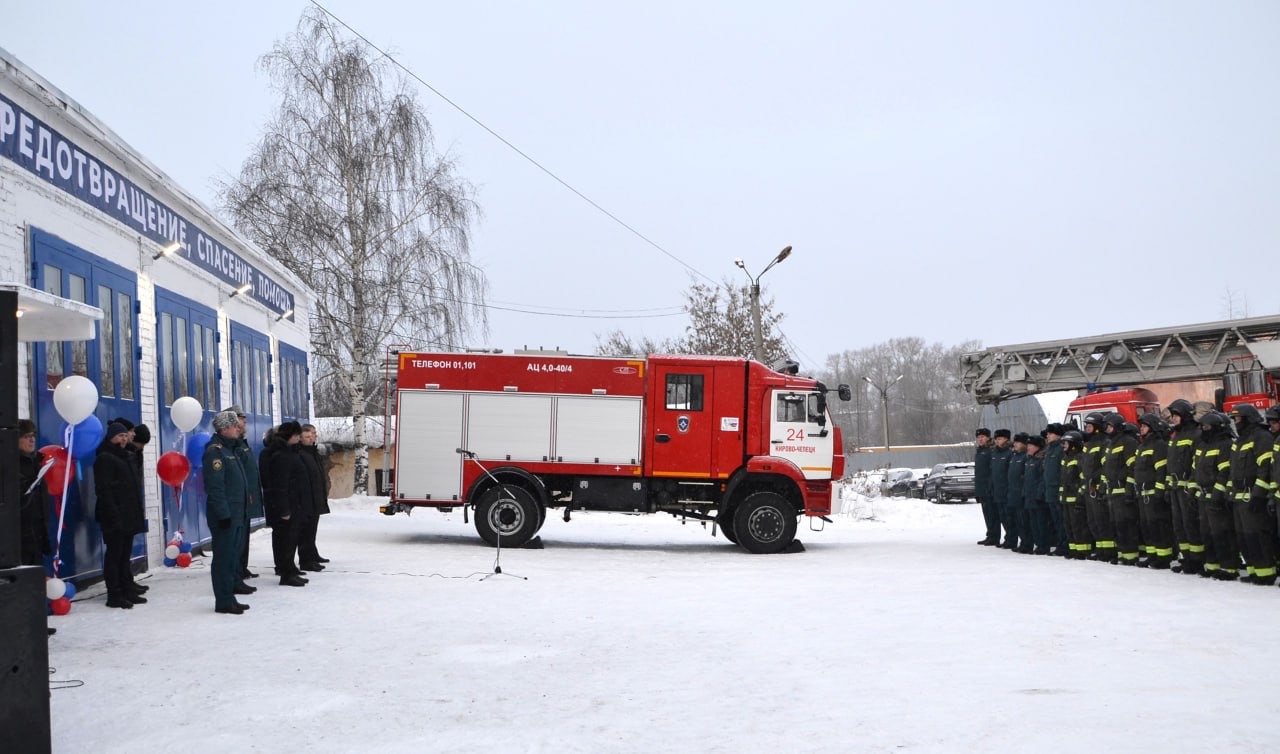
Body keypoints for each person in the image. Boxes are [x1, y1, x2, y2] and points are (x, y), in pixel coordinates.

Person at [204, 410, 253, 614]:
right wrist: (223, 514)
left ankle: (229, 595)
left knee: (232, 557)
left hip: (237, 514)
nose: (238, 428)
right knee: (224, 559)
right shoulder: (215, 452)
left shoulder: (231, 449)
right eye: (235, 426)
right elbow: (216, 488)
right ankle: (223, 601)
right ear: (224, 429)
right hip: (226, 516)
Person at [94, 422, 147, 608]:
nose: (124, 439)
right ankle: (114, 594)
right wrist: (114, 515)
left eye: (126, 435)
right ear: (111, 437)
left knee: (125, 555)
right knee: (114, 555)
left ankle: (127, 589)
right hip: (114, 516)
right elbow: (104, 490)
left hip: (128, 514)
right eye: (120, 436)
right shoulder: (105, 458)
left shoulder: (127, 456)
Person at [1228, 404, 1275, 585]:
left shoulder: (1261, 437)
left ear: (1248, 418)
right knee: (1244, 537)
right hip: (1239, 498)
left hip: (1252, 497)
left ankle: (1266, 573)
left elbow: (1265, 469)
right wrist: (1230, 493)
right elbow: (1233, 471)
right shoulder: (1239, 441)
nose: (1235, 423)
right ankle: (1254, 570)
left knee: (1257, 535)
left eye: (1238, 419)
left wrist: (1258, 494)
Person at [260, 421, 311, 587]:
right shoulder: (281, 455)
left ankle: (290, 568)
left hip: (295, 503)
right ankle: (286, 572)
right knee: (286, 540)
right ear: (289, 436)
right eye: (296, 435)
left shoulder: (289, 452)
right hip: (287, 505)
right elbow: (279, 485)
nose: (299, 438)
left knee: (291, 538)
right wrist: (284, 509)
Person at [1194, 411, 1236, 580]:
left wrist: (1217, 495)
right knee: (1207, 533)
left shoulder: (1224, 445)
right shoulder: (1203, 445)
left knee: (1222, 533)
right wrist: (1194, 491)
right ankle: (1212, 565)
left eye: (1206, 426)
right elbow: (1196, 470)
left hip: (1215, 497)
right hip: (1203, 497)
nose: (1203, 429)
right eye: (1202, 426)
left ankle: (1228, 567)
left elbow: (1224, 473)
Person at [1166, 399, 1204, 574]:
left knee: (1191, 525)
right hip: (1175, 489)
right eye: (1172, 416)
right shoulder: (1175, 436)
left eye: (1176, 416)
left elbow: (1197, 464)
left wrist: (1192, 486)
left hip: (1187, 489)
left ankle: (1197, 560)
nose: (1173, 419)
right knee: (1179, 525)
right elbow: (1170, 464)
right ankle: (1186, 558)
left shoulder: (1195, 435)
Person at [228, 405, 263, 585]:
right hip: (239, 498)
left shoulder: (242, 441)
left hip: (247, 496)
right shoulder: (232, 445)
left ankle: (242, 566)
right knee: (238, 537)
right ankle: (236, 570)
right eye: (242, 419)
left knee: (244, 536)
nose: (245, 422)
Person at [1133, 413, 1173, 569]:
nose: (1141, 428)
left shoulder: (1159, 445)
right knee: (1147, 526)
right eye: (1141, 426)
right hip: (1143, 494)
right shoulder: (1141, 446)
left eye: (1144, 426)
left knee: (1158, 526)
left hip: (1153, 494)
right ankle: (1152, 555)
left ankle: (1163, 558)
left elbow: (1161, 471)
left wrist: (1159, 492)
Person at [1102, 413, 1141, 565]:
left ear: (1118, 427)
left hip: (1123, 491)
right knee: (1116, 524)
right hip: (1112, 492)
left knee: (1127, 524)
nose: (1107, 429)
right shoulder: (1110, 444)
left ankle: (1130, 555)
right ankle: (1122, 553)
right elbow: (1107, 468)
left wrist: (1129, 489)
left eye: (1110, 426)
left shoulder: (1128, 443)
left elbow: (1133, 467)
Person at [1080, 412, 1115, 562]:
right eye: (1086, 426)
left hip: (1097, 489)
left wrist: (1099, 486)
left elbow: (1104, 467)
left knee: (1103, 521)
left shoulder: (1104, 443)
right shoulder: (1087, 445)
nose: (1087, 428)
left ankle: (1109, 551)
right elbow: (1084, 468)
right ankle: (1100, 549)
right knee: (1093, 521)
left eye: (1090, 426)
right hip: (1088, 488)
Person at [297, 423, 332, 568]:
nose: (312, 437)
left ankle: (313, 553)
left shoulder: (313, 452)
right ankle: (306, 559)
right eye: (308, 435)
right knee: (305, 531)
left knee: (312, 529)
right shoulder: (300, 453)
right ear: (301, 437)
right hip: (306, 498)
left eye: (313, 433)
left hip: (315, 497)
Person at [1058, 430, 1091, 558]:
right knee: (1069, 526)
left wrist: (1080, 497)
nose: (1064, 446)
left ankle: (1083, 551)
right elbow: (1062, 480)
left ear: (1073, 444)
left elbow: (1084, 480)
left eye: (1066, 443)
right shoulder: (1065, 459)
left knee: (1079, 527)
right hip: (1066, 499)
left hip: (1076, 501)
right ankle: (1074, 549)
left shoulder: (1080, 458)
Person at [1042, 424, 1067, 555]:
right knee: (1056, 520)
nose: (1048, 435)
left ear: (1058, 435)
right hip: (1050, 491)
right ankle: (1060, 543)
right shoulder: (1049, 449)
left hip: (1058, 490)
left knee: (1062, 520)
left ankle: (1065, 545)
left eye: (1050, 433)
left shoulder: (1061, 449)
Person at [1023, 434, 1049, 554]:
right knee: (1033, 523)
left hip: (1038, 498)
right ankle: (1038, 544)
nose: (1028, 447)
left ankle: (1044, 545)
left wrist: (1040, 494)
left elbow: (1042, 479)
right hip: (1029, 497)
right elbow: (1026, 479)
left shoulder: (1041, 460)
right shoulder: (1029, 460)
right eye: (1028, 445)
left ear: (1038, 447)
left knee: (1041, 523)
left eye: (1031, 445)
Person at [990, 429, 1014, 548]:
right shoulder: (995, 453)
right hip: (998, 490)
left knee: (1009, 517)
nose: (997, 441)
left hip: (1007, 490)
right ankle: (1008, 538)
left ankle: (1012, 538)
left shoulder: (1010, 453)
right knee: (1003, 517)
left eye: (999, 439)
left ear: (1006, 439)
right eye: (996, 439)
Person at [1007, 433, 1029, 553]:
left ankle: (1027, 543)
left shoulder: (1025, 457)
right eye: (1015, 442)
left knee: (1024, 520)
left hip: (1021, 493)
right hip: (1013, 493)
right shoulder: (1014, 456)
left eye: (1018, 442)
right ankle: (1022, 541)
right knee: (1017, 520)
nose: (1015, 444)